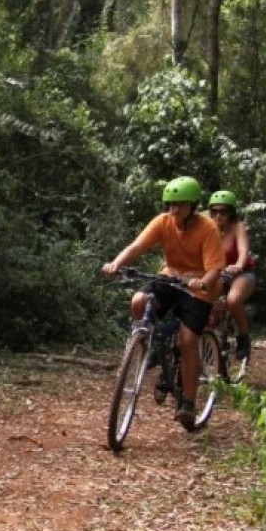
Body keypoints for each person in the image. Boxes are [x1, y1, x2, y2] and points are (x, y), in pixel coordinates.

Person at [101, 176, 223, 431]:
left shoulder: (208, 228)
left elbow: (214, 269)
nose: (174, 210)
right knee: (139, 301)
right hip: (171, 277)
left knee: (188, 340)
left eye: (179, 205)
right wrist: (117, 263)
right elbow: (138, 245)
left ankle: (188, 403)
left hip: (199, 288)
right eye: (170, 204)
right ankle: (148, 343)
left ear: (192, 206)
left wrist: (201, 282)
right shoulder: (163, 222)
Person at [206, 190, 255, 361]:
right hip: (218, 273)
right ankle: (207, 340)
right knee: (202, 300)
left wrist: (239, 265)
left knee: (233, 300)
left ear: (231, 213)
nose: (218, 215)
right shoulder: (207, 228)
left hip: (241, 273)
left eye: (223, 211)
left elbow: (243, 251)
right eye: (214, 211)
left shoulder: (237, 227)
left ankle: (243, 338)